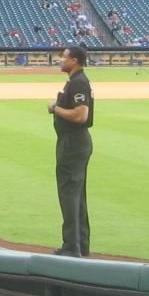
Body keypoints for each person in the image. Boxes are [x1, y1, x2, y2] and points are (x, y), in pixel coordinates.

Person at [47, 45, 95, 257]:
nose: (60, 60)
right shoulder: (76, 82)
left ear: (74, 60)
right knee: (77, 195)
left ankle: (71, 246)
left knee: (69, 194)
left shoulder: (78, 83)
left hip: (73, 142)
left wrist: (55, 108)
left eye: (64, 57)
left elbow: (81, 115)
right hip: (75, 142)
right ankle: (80, 244)